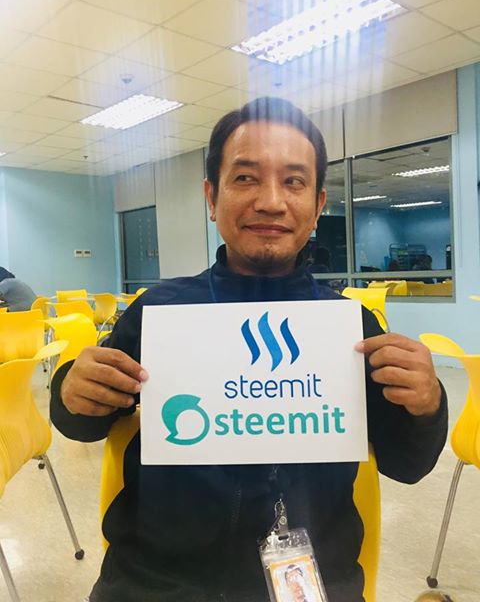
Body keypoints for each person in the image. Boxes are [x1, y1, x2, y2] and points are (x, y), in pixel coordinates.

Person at [50, 97, 447, 602]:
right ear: (211, 197)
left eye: (294, 181)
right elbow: (84, 425)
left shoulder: (349, 328)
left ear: (318, 205)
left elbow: (408, 465)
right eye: (245, 178)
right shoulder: (159, 313)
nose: (271, 201)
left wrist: (427, 402)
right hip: (154, 580)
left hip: (308, 579)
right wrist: (71, 390)